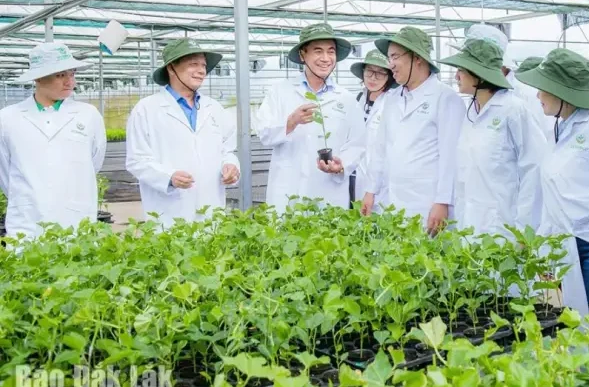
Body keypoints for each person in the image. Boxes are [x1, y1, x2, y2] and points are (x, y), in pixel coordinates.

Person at [516, 49, 589, 315]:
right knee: (568, 322)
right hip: (564, 244)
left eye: (543, 88)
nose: (538, 95)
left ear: (562, 92)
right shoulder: (560, 128)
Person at [437, 38, 548, 241]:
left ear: (478, 74)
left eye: (461, 70)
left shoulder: (514, 110)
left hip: (502, 226)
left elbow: (534, 169)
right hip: (469, 224)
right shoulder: (470, 112)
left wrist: (525, 229)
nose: (456, 76)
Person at [361, 27, 465, 234]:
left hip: (426, 202)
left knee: (425, 251)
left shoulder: (446, 99)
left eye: (395, 57)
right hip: (390, 199)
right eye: (389, 57)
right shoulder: (392, 98)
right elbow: (380, 149)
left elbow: (451, 157)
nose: (390, 64)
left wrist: (443, 201)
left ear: (417, 58)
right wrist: (371, 190)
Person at [126, 39, 240, 229]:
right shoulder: (147, 109)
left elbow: (227, 150)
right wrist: (168, 177)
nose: (201, 71)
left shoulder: (214, 108)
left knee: (211, 244)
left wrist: (230, 165)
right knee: (172, 243)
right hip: (169, 210)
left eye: (203, 65)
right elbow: (136, 160)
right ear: (171, 68)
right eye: (193, 64)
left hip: (211, 208)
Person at [0, 43, 106, 242]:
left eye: (72, 73)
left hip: (76, 217)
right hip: (27, 221)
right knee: (28, 259)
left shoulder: (88, 115)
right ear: (38, 78)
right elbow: (4, 172)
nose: (69, 81)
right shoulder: (7, 119)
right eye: (60, 75)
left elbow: (94, 161)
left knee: (76, 257)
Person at [255, 24, 365, 212]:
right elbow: (264, 134)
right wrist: (290, 123)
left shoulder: (346, 99)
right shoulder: (280, 92)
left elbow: (358, 143)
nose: (326, 58)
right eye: (318, 51)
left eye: (331, 51)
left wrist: (342, 165)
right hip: (288, 191)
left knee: (327, 230)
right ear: (302, 55)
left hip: (329, 191)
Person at [349, 49, 397, 209]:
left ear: (389, 77)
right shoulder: (358, 99)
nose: (373, 78)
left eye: (380, 73)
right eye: (369, 71)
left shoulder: (392, 103)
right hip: (353, 173)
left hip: (379, 182)